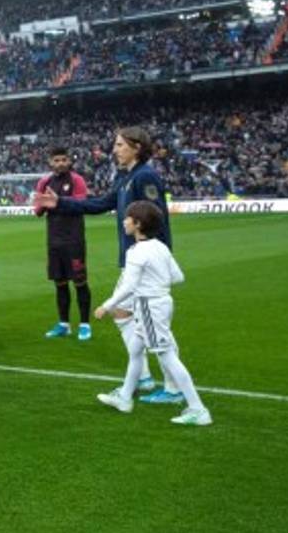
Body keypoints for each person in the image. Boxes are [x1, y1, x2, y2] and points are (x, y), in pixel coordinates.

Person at [35, 126, 179, 404]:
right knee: (126, 315)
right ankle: (145, 378)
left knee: (153, 326)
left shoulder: (145, 176)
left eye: (120, 144)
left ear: (137, 147)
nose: (115, 149)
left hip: (145, 263)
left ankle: (172, 389)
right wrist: (60, 202)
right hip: (134, 259)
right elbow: (101, 204)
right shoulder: (126, 176)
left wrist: (156, 259)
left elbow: (156, 219)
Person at [94, 201, 211, 426]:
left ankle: (198, 409)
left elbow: (128, 287)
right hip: (160, 303)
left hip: (149, 306)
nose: (124, 221)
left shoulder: (136, 252)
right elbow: (178, 277)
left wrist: (106, 306)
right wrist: (157, 282)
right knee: (136, 350)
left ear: (138, 224)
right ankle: (125, 397)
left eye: (128, 218)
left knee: (167, 356)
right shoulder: (160, 246)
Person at [35, 147, 93, 340]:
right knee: (60, 283)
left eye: (63, 159)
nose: (60, 163)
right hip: (54, 241)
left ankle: (85, 325)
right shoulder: (45, 182)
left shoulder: (76, 180)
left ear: (69, 161)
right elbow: (37, 210)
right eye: (56, 160)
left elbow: (81, 204)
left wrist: (57, 201)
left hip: (74, 239)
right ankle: (64, 324)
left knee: (79, 282)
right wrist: (42, 203)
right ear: (50, 162)